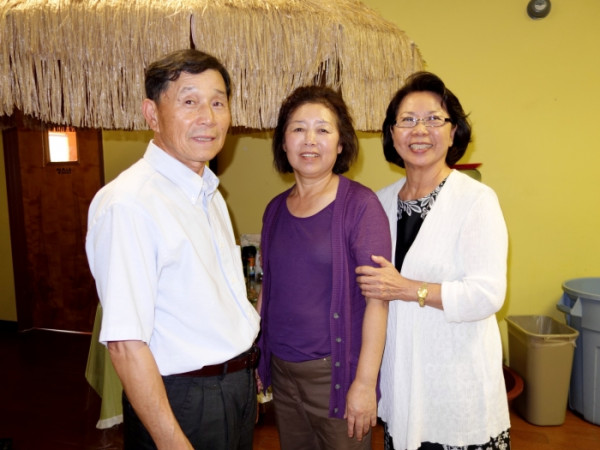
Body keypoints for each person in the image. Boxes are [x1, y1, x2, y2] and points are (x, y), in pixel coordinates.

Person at [85, 49, 261, 450]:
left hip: (232, 387)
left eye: (218, 102)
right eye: (189, 101)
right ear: (152, 114)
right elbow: (126, 344)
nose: (208, 117)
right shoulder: (129, 203)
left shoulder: (209, 193)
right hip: (182, 399)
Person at [356, 72, 511, 450]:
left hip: (458, 389)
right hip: (403, 384)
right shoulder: (378, 203)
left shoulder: (476, 200)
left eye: (433, 119)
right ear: (392, 134)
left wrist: (408, 289)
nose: (420, 130)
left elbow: (488, 294)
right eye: (407, 120)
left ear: (453, 132)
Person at [256, 86, 391, 449]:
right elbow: (269, 288)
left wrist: (364, 384)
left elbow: (378, 302)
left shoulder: (361, 206)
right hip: (282, 372)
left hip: (335, 375)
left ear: (341, 143)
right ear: (284, 142)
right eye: (298, 129)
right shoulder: (274, 209)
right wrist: (258, 353)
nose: (310, 140)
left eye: (323, 129)